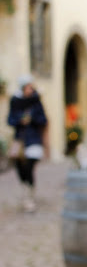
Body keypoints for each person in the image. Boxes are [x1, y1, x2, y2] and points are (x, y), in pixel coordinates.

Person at [7, 75, 48, 212]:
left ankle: (29, 196)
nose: (31, 89)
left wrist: (32, 119)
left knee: (30, 166)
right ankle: (26, 188)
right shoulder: (15, 101)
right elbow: (10, 120)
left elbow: (43, 120)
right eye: (28, 86)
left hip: (33, 139)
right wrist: (20, 120)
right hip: (20, 140)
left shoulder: (36, 101)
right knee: (20, 167)